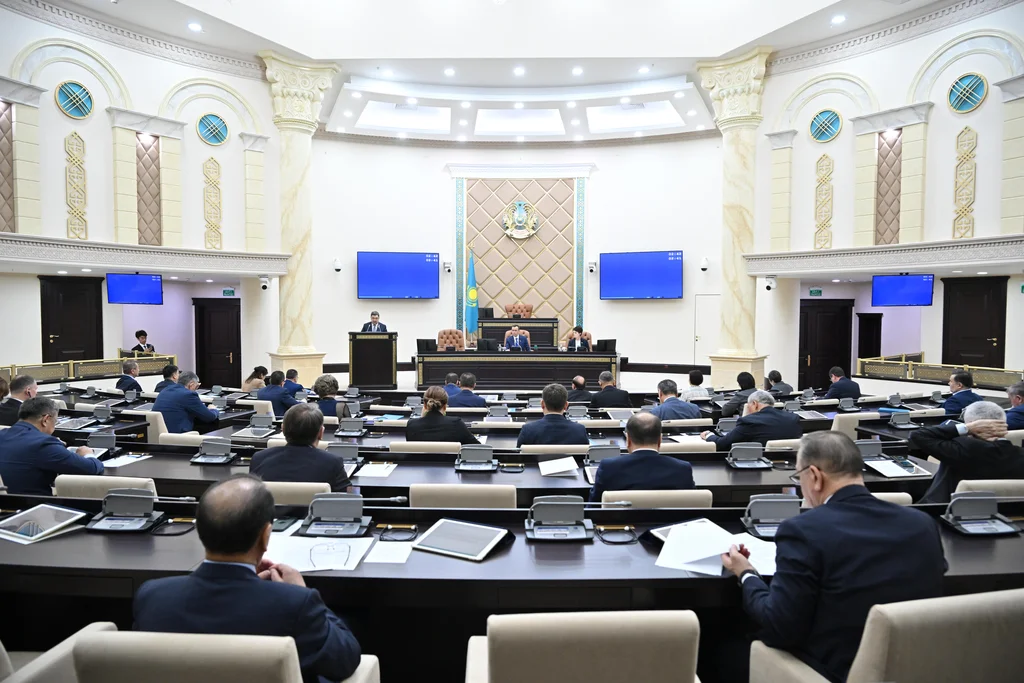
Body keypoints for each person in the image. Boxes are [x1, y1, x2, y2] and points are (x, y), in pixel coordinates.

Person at [720, 431, 946, 683]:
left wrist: (746, 573)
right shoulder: (922, 524)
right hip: (913, 667)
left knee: (721, 649)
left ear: (814, 476)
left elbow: (779, 628)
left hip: (832, 671)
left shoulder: (804, 530)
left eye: (798, 476)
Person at [133, 475, 362, 683]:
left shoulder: (152, 596)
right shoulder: (295, 604)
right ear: (265, 535)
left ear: (200, 530)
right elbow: (345, 660)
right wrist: (301, 592)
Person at [910, 401, 1024, 503]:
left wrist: (966, 428)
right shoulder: (1020, 454)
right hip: (1008, 516)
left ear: (973, 425)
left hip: (941, 512)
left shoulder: (962, 449)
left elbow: (917, 435)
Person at [0, 397, 103, 495]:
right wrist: (88, 454)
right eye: (55, 421)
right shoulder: (44, 444)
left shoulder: (2, 434)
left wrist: (55, 446)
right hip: (35, 504)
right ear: (45, 420)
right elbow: (91, 468)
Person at [588, 412, 694, 502]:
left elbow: (593, 508)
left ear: (628, 440)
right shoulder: (683, 469)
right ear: (660, 440)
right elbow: (693, 509)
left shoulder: (608, 467)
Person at [250, 404, 351, 491]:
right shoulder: (333, 463)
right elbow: (348, 499)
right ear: (321, 433)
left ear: (283, 430)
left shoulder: (259, 459)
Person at [701, 390, 802, 451]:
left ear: (755, 404)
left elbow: (723, 444)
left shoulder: (750, 421)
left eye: (748, 406)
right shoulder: (793, 418)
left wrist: (709, 435)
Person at [517, 383, 589, 447]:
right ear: (566, 405)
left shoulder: (528, 430)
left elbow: (518, 455)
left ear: (542, 404)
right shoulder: (579, 430)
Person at [405, 386, 479, 445]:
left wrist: (421, 418)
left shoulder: (412, 425)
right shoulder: (456, 423)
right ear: (445, 406)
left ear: (424, 405)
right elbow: (477, 447)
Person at [154, 371, 221, 433]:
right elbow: (210, 417)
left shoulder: (166, 389)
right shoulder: (188, 394)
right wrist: (213, 409)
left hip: (160, 434)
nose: (196, 390)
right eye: (196, 387)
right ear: (191, 385)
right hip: (178, 435)